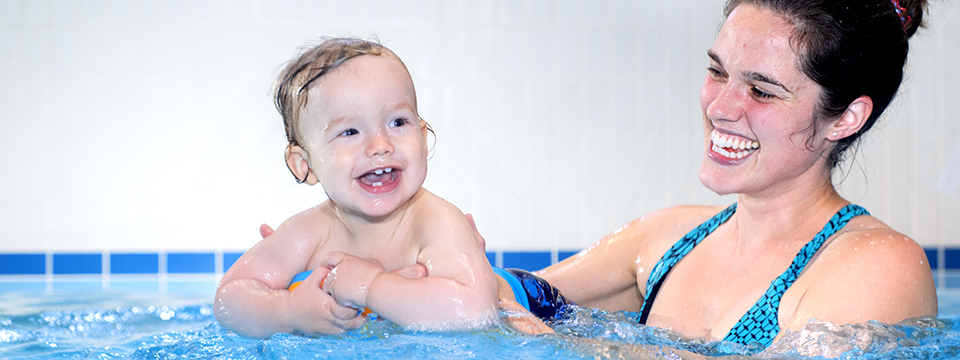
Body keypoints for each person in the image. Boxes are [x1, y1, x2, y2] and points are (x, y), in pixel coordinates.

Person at [529, 0, 937, 351]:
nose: (719, 107)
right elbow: (501, 298)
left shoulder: (879, 264)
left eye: (762, 91)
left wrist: (568, 343)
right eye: (718, 72)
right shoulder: (664, 241)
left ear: (846, 119)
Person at [213, 38, 502, 338]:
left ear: (423, 137)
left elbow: (476, 311)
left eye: (398, 122)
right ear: (305, 165)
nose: (380, 145)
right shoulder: (310, 231)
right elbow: (228, 300)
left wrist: (371, 286)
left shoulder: (434, 221)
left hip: (528, 297)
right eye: (350, 131)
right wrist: (288, 311)